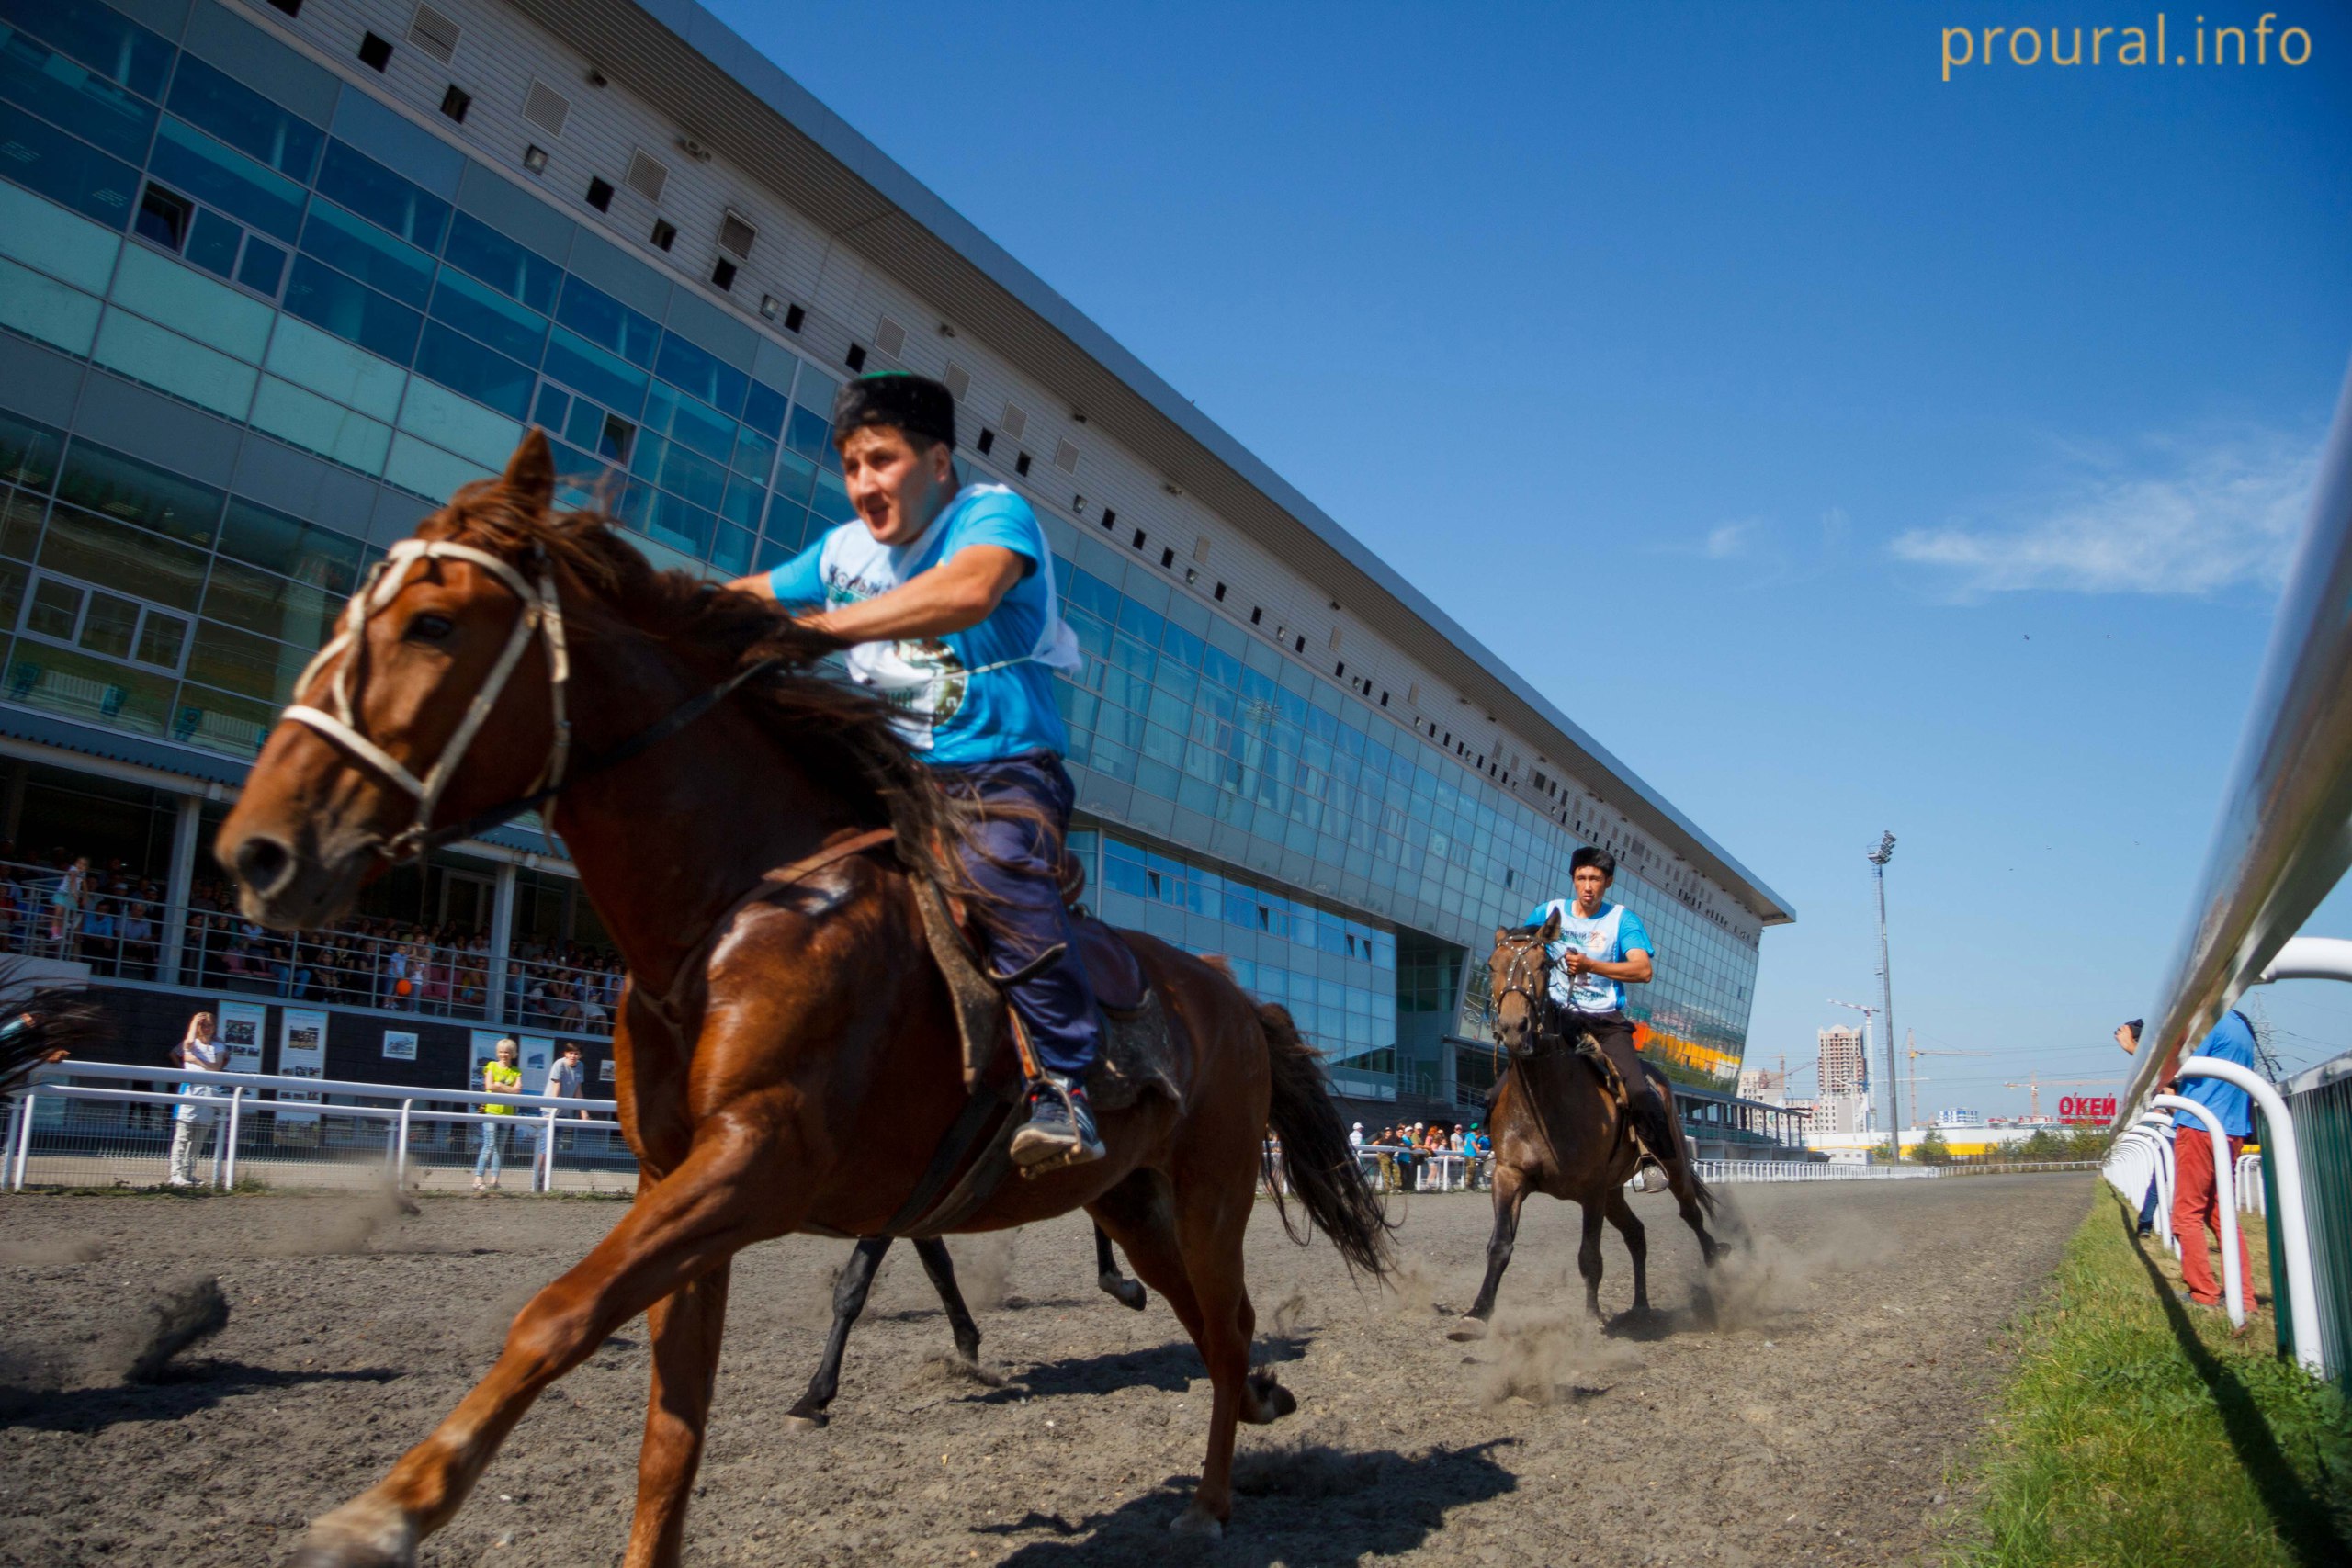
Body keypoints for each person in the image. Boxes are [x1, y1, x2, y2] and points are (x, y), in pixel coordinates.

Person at [729, 371, 1102, 1170]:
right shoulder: (841, 551)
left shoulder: (993, 516)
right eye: (851, 464)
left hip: (1000, 775)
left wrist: (821, 629)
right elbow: (753, 594)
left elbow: (966, 592)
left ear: (938, 462)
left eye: (882, 460)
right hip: (893, 781)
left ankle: (1066, 1084)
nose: (863, 483)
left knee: (995, 871)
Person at [1527, 845, 1674, 1190]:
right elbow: (1526, 946)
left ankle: (1652, 1157)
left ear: (1607, 882)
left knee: (1637, 1089)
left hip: (1605, 1020)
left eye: (1595, 879)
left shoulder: (1622, 920)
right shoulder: (1549, 911)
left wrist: (1592, 965)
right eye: (1581, 878)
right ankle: (1499, 1150)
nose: (1587, 886)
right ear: (1573, 879)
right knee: (1512, 1074)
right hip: (1557, 1017)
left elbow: (1643, 969)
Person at [2124, 1010, 2257, 1309]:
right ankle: (2244, 1297)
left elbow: (2167, 1071)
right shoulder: (2240, 1024)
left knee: (2186, 1214)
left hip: (2200, 1126)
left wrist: (2136, 1050)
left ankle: (2203, 1293)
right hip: (2232, 1127)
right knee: (2220, 1215)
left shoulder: (2208, 1021)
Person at [166, 1011, 222, 1188]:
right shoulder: (191, 1043)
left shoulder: (218, 1046)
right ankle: (175, 1175)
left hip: (208, 1097)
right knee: (182, 1138)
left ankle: (188, 1174)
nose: (206, 1029)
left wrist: (195, 1060)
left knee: (197, 1141)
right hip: (190, 1096)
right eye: (202, 1025)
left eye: (209, 1025)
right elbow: (188, 1046)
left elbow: (216, 1067)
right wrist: (193, 1022)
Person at [474, 1037, 522, 1193]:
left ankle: (495, 1180)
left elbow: (517, 1091)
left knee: (499, 1147)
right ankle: (478, 1178)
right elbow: (488, 1086)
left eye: (507, 1052)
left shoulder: (516, 1071)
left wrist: (499, 1085)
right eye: (501, 1052)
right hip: (491, 1110)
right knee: (489, 1144)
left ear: (513, 1053)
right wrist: (506, 1087)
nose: (504, 1055)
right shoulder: (491, 1065)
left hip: (507, 1113)